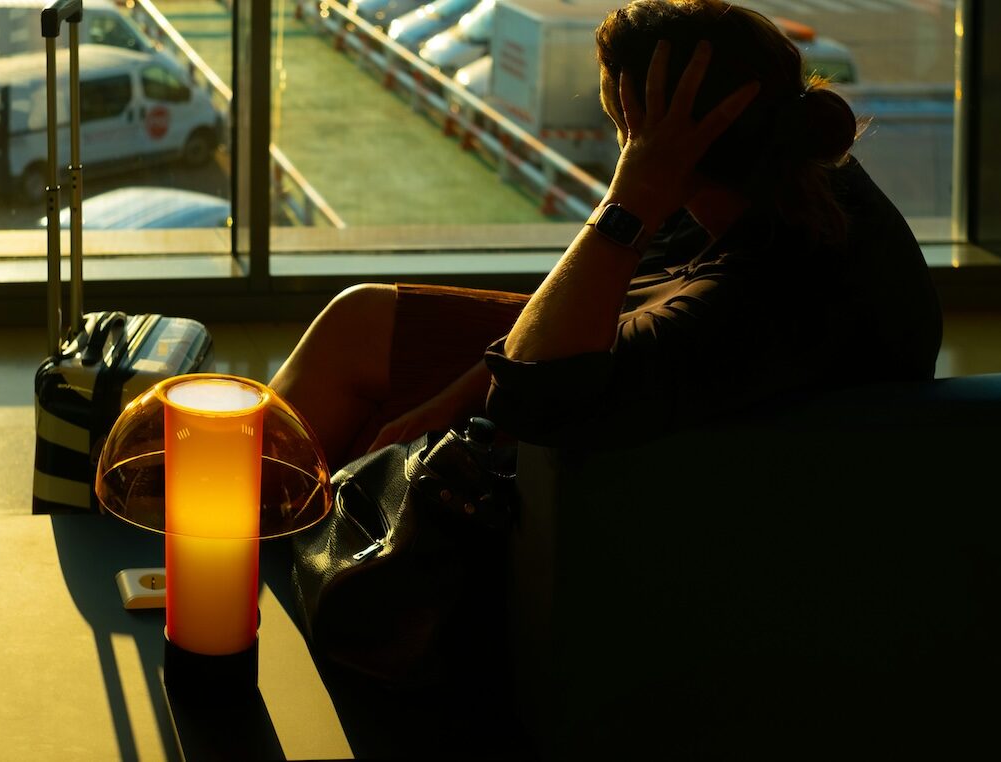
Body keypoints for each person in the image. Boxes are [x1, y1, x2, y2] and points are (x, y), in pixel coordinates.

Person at [270, 0, 942, 473]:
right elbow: (609, 298)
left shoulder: (767, 295)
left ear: (645, 133)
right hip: (665, 399)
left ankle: (248, 534)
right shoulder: (781, 184)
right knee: (362, 325)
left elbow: (531, 393)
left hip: (666, 471)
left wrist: (632, 194)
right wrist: (447, 400)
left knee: (358, 369)